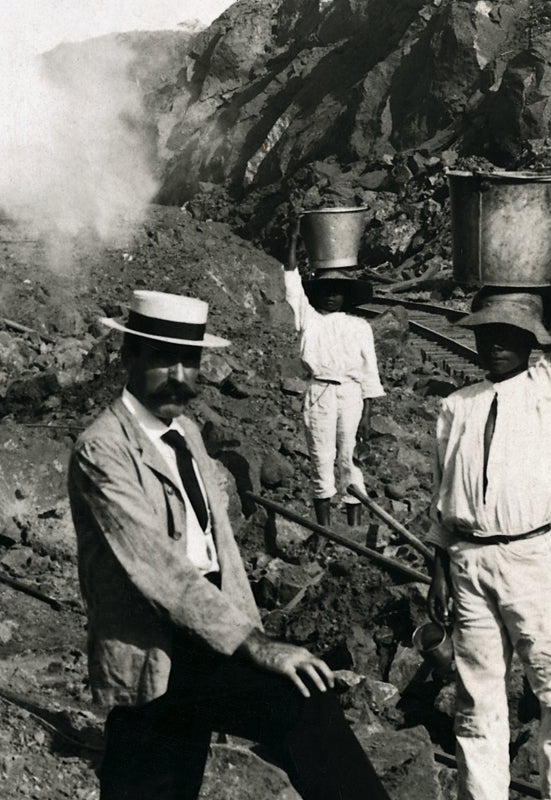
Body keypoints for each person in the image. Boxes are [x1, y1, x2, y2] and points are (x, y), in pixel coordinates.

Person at [70, 289, 388, 799]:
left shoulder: (187, 433)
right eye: (162, 359)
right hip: (154, 644)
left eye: (189, 360)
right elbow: (160, 571)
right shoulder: (103, 448)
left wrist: (244, 631)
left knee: (300, 698)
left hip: (207, 634)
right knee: (295, 703)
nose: (179, 375)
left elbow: (218, 550)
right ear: (128, 356)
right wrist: (255, 646)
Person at [427, 171, 551, 800]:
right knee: (477, 698)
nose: (496, 345)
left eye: (510, 336)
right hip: (468, 561)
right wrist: (439, 568)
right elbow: (442, 503)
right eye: (487, 335)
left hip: (531, 556)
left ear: (532, 342)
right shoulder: (456, 406)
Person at [282, 230, 383, 528]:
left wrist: (368, 414)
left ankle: (354, 528)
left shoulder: (360, 326)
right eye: (325, 290)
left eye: (337, 290)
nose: (330, 296)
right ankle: (324, 528)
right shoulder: (309, 319)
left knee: (351, 460)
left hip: (352, 395)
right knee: (321, 459)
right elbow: (291, 285)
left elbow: (370, 374)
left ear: (346, 295)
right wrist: (292, 243)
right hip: (320, 394)